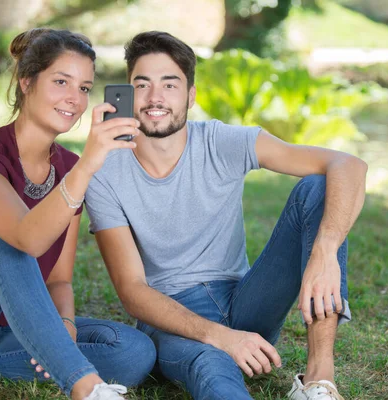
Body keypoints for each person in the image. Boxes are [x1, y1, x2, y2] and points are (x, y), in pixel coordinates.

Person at [84, 31, 368, 400]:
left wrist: (325, 251)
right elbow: (132, 291)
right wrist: (221, 337)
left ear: (191, 95)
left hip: (244, 298)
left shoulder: (221, 141)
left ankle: (317, 380)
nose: (155, 98)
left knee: (317, 187)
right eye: (143, 85)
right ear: (127, 93)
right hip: (172, 316)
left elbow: (348, 165)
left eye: (170, 85)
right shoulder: (104, 171)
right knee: (212, 365)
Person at [0, 28, 156, 400]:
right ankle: (87, 388)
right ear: (26, 82)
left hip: (8, 329)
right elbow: (27, 238)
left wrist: (64, 323)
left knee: (132, 349)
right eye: (61, 81)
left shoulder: (67, 167)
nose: (74, 98)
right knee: (6, 249)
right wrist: (86, 168)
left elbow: (59, 281)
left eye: (84, 88)